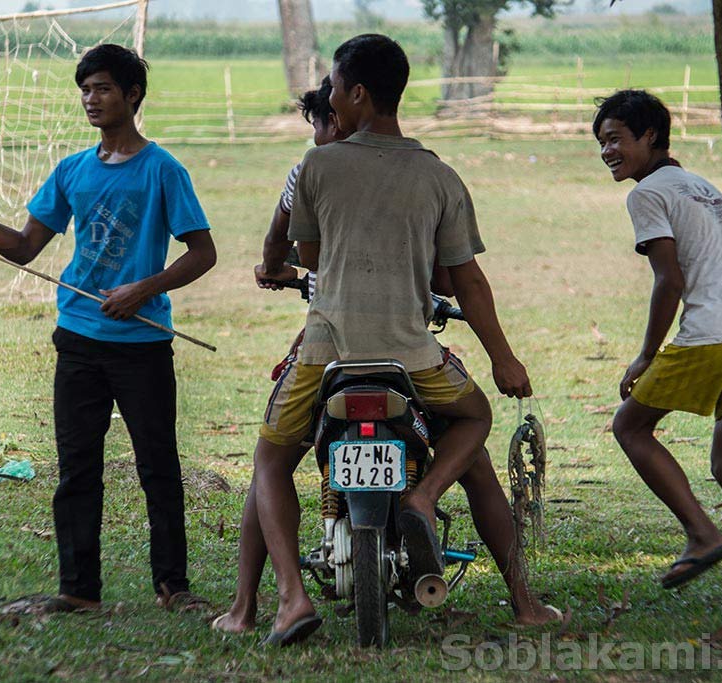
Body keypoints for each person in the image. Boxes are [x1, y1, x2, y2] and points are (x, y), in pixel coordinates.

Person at [244, 34, 561, 646]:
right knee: (474, 422)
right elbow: (464, 277)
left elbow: (308, 256)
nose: (332, 101)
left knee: (270, 459)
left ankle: (289, 600)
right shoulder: (438, 174)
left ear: (358, 93)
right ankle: (433, 509)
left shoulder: (316, 165)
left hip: (326, 354)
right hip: (413, 358)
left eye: (335, 89)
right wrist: (503, 357)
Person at [0, 44, 216, 613]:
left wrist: (143, 289)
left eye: (103, 88)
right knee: (77, 467)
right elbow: (23, 247)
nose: (91, 99)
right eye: (85, 90)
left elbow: (201, 253)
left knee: (158, 465)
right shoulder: (72, 171)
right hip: (79, 339)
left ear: (132, 96)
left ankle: (173, 587)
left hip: (143, 345)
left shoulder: (163, 170)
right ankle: (79, 590)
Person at [594, 89, 722, 610]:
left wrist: (646, 354)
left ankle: (702, 534)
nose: (607, 152)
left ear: (650, 136)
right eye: (601, 143)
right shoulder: (706, 188)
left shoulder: (647, 194)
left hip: (710, 335)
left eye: (616, 139)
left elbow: (669, 280)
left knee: (629, 425)